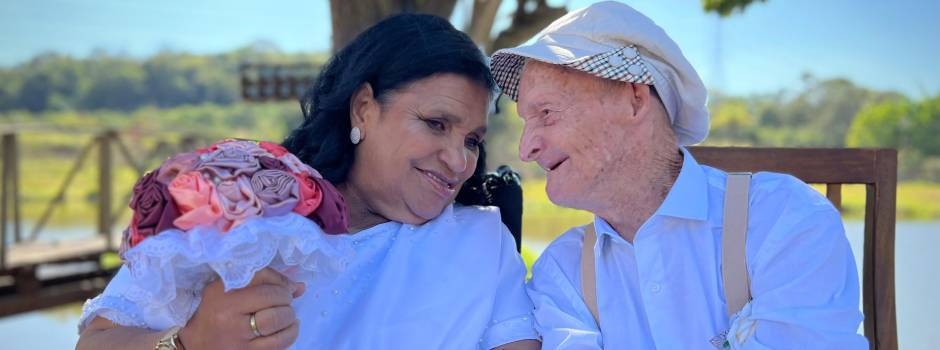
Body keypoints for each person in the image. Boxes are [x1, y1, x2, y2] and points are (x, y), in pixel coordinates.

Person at [77, 13, 540, 350]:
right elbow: (96, 342)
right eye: (436, 123)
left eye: (473, 140)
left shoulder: (480, 241)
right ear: (363, 108)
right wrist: (187, 342)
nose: (459, 160)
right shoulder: (242, 204)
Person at [489, 2, 868, 349]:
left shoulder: (784, 220)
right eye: (526, 122)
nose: (526, 150)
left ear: (634, 99)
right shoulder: (562, 270)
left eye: (547, 113)